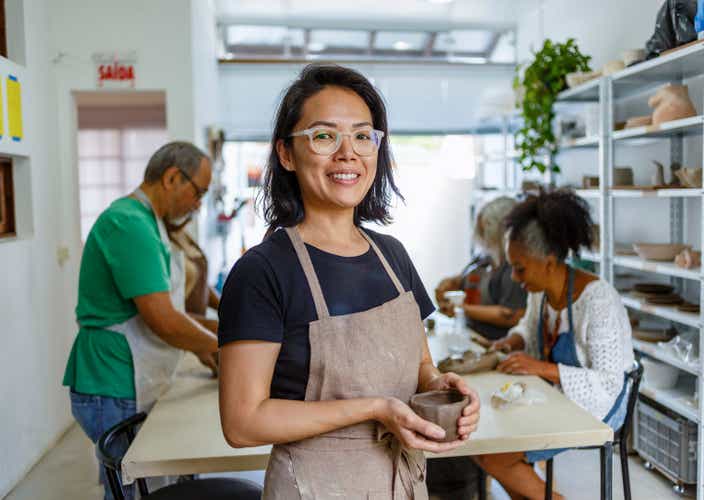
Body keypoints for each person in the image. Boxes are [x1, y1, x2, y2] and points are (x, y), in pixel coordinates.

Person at [217, 64, 480, 499]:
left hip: (403, 484)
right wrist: (376, 409)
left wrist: (443, 388)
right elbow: (243, 422)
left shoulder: (393, 255)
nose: (348, 153)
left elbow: (420, 368)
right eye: (324, 136)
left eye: (362, 135)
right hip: (316, 487)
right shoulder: (262, 272)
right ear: (286, 153)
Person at [62, 141, 219, 500]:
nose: (198, 204)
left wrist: (210, 344)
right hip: (112, 381)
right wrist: (221, 348)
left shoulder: (151, 223)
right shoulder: (128, 224)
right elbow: (163, 319)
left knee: (147, 483)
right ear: (172, 178)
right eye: (198, 192)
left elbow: (173, 311)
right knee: (129, 488)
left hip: (131, 375)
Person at [475, 189, 635, 500]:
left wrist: (540, 367)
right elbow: (527, 324)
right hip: (558, 395)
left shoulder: (597, 300)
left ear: (548, 262)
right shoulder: (540, 291)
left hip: (603, 405)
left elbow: (608, 381)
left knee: (495, 455)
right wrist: (514, 339)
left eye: (520, 268)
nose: (516, 278)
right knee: (485, 446)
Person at [435, 197, 527, 342]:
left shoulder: (514, 270)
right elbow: (463, 278)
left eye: (487, 230)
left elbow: (511, 315)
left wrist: (462, 309)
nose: (483, 237)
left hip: (496, 342)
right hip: (470, 335)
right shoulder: (484, 257)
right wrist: (450, 283)